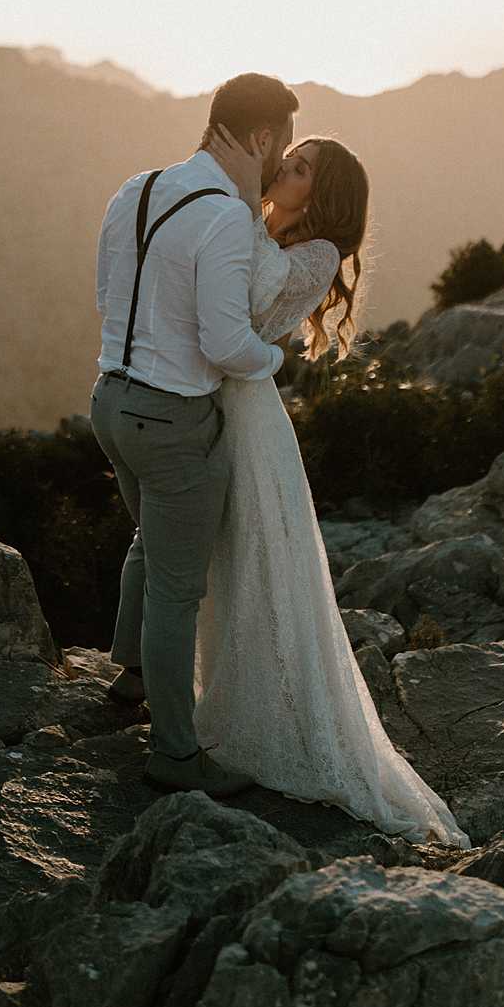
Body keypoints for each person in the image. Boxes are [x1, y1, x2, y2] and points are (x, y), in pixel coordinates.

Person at [190, 125, 470, 845]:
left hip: (248, 417)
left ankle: (273, 723)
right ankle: (220, 698)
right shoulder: (263, 229)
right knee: (221, 560)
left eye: (302, 167)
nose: (285, 167)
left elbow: (252, 296)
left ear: (325, 197)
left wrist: (243, 204)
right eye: (291, 158)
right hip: (215, 399)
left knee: (258, 559)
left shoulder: (315, 255)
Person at [89, 73, 295, 797]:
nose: (282, 160)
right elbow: (226, 342)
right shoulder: (226, 217)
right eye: (283, 145)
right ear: (262, 137)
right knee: (179, 590)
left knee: (149, 542)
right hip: (172, 419)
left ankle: (131, 675)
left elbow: (107, 297)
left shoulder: (136, 188)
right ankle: (174, 753)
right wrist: (276, 360)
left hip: (109, 401)